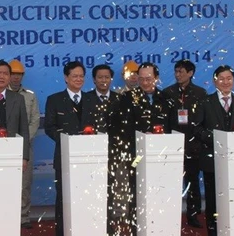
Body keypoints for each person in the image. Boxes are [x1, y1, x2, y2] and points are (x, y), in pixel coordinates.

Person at [193, 65, 234, 236]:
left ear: (233, 80)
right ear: (214, 80)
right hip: (212, 159)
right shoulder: (205, 102)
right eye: (222, 79)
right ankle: (213, 230)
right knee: (213, 199)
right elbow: (196, 129)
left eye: (229, 79)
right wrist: (218, 139)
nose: (226, 82)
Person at [119, 62, 175, 235]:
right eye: (141, 78)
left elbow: (173, 126)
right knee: (137, 191)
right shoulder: (128, 98)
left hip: (163, 157)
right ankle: (138, 228)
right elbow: (122, 128)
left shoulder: (166, 98)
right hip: (137, 156)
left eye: (148, 78)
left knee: (162, 192)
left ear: (156, 78)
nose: (144, 82)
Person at [44, 61, 99, 236]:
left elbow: (99, 125)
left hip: (89, 159)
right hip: (64, 158)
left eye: (81, 76)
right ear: (66, 78)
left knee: (88, 197)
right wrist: (68, 141)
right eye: (74, 76)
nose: (78, 79)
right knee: (64, 199)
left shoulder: (92, 99)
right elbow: (49, 127)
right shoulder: (54, 100)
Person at [162, 59, 207, 228]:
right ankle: (169, 213)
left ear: (190, 73)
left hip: (193, 145)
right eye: (176, 71)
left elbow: (202, 120)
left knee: (192, 182)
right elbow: (165, 119)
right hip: (172, 144)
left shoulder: (200, 93)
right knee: (170, 182)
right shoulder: (167, 93)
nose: (178, 75)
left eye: (181, 71)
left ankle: (193, 215)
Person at [88, 64, 128, 235]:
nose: (103, 80)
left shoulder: (120, 99)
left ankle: (109, 221)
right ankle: (92, 219)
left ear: (111, 79)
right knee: (92, 186)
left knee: (111, 187)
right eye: (100, 77)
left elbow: (125, 127)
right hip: (90, 152)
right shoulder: (86, 98)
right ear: (94, 80)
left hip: (114, 152)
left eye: (106, 77)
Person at [8, 59, 40, 229]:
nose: (15, 78)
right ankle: (6, 214)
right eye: (13, 74)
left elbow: (35, 119)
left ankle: (23, 216)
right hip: (4, 145)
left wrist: (25, 139)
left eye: (18, 74)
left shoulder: (30, 95)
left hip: (25, 145)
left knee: (25, 183)